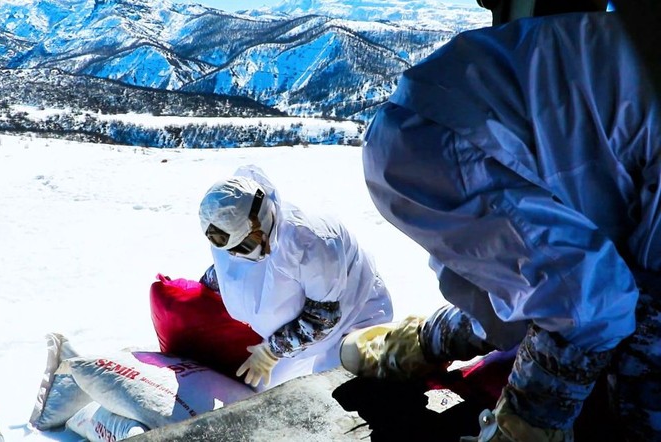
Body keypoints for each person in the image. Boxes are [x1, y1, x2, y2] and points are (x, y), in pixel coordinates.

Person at [341, 10, 660, 442]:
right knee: (582, 301)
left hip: (420, 122)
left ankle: (408, 347)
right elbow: (608, 304)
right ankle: (515, 425)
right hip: (464, 139)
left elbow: (540, 287)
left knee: (532, 292)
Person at [197, 164, 394, 392]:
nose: (241, 255)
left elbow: (323, 316)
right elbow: (227, 273)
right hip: (291, 331)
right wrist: (192, 292)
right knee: (259, 391)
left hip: (352, 317)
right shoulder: (233, 238)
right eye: (234, 250)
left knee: (338, 393)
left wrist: (272, 351)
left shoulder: (311, 242)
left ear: (263, 218)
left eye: (247, 245)